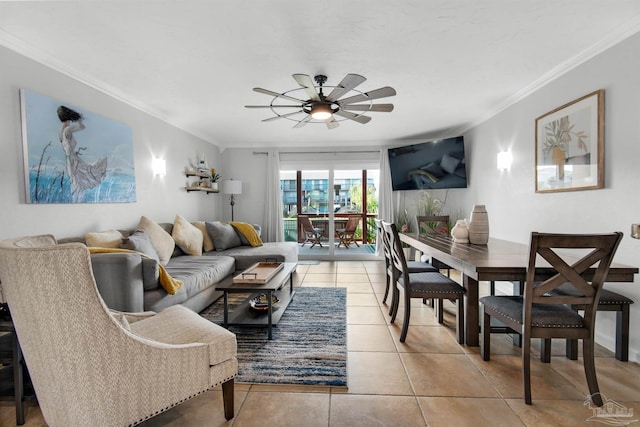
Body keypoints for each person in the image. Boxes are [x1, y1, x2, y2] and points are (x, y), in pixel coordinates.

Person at [57, 106, 107, 202]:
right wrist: (78, 118)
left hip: (70, 161)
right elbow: (82, 127)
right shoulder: (67, 130)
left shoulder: (61, 130)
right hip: (74, 161)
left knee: (77, 186)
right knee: (86, 178)